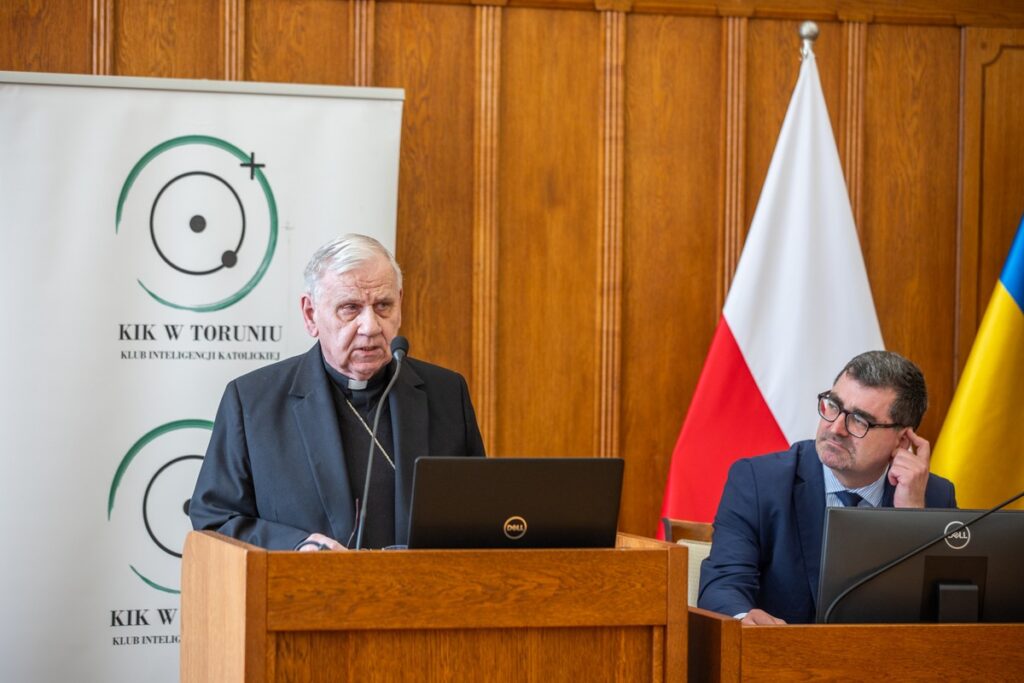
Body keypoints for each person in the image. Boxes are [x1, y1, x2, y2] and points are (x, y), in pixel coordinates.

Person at [189, 234, 485, 551]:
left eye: (383, 306)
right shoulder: (252, 402)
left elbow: (480, 512)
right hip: (304, 595)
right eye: (350, 308)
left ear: (400, 302)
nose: (370, 326)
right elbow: (215, 519)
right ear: (310, 314)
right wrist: (298, 546)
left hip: (424, 596)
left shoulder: (446, 393)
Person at [697, 350, 956, 624]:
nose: (835, 428)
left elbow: (947, 616)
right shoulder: (759, 482)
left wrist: (913, 520)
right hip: (787, 659)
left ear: (902, 441)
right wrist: (745, 620)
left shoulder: (933, 496)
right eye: (833, 405)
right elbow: (723, 585)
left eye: (859, 420)